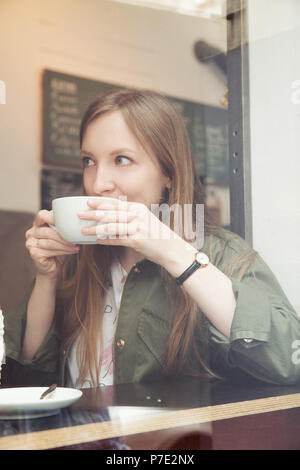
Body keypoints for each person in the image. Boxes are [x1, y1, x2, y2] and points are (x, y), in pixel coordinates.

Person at [3, 88, 300, 389]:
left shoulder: (222, 253)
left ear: (168, 173)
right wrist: (46, 279)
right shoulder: (77, 258)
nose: (97, 183)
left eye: (121, 159)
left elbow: (288, 361)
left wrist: (174, 252)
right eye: (88, 160)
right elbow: (23, 379)